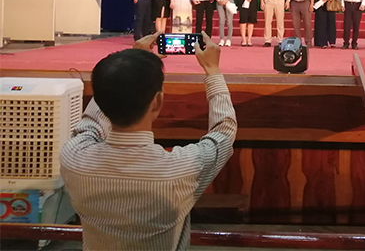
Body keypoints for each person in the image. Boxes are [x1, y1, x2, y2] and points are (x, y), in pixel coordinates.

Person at [60, 31, 237, 250]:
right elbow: (224, 132)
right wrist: (212, 70)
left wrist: (127, 65)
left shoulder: (73, 157)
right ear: (158, 101)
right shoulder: (180, 168)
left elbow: (92, 121)